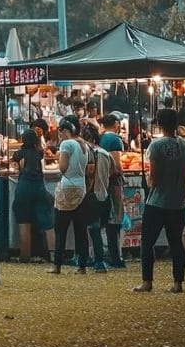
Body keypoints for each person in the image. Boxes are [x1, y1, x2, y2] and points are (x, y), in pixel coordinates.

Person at [129, 108, 185, 293]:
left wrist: (147, 179)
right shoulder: (183, 145)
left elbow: (153, 177)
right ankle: (178, 283)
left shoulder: (156, 146)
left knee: (147, 243)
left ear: (159, 124)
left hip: (157, 202)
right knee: (176, 243)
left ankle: (147, 282)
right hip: (178, 203)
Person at [47, 116, 92, 275]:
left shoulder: (67, 144)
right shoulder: (83, 144)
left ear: (65, 131)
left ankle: (57, 265)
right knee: (81, 229)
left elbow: (63, 168)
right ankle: (82, 265)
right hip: (81, 188)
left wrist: (60, 159)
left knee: (61, 229)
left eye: (59, 132)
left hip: (67, 188)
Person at [12, 129, 54, 263]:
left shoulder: (19, 153)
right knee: (48, 222)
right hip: (40, 187)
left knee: (24, 221)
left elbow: (15, 164)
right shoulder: (40, 152)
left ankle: (25, 255)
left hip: (24, 187)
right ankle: (54, 255)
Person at [82, 124, 117, 273]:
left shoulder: (85, 152)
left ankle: (97, 260)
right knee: (98, 228)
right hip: (104, 195)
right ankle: (98, 259)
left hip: (90, 195)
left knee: (92, 229)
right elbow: (113, 172)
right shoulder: (105, 153)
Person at [98, 114, 127, 268]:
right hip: (113, 182)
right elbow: (117, 164)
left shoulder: (101, 138)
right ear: (116, 124)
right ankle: (115, 255)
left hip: (102, 181)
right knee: (115, 217)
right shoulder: (115, 140)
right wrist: (122, 176)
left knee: (106, 218)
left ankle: (107, 253)